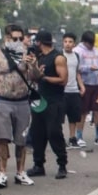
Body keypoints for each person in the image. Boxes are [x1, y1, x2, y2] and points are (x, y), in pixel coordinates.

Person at [0, 24, 39, 187]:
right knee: (2, 139)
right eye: (13, 38)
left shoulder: (27, 54)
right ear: (6, 38)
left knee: (21, 140)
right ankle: (2, 173)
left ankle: (20, 172)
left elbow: (36, 77)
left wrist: (33, 64)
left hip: (22, 101)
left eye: (19, 38)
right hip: (3, 101)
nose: (17, 41)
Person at [26, 29, 71, 179]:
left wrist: (44, 77)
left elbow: (63, 80)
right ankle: (38, 165)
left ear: (39, 42)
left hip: (55, 101)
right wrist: (33, 67)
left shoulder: (58, 58)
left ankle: (62, 164)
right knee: (37, 133)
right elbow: (34, 78)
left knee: (54, 132)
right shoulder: (38, 57)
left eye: (36, 42)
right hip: (40, 100)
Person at [73, 30, 98, 145]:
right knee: (83, 111)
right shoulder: (77, 51)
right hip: (84, 83)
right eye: (89, 44)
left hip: (97, 83)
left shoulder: (97, 51)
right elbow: (76, 68)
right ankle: (79, 136)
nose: (91, 46)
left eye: (93, 43)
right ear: (84, 41)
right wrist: (88, 68)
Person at [60, 33, 87, 148]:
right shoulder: (59, 55)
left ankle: (72, 138)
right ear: (63, 43)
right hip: (62, 91)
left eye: (70, 42)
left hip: (74, 90)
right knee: (59, 117)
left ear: (74, 44)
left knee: (74, 117)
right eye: (65, 41)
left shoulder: (76, 56)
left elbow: (77, 73)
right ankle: (60, 139)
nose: (68, 44)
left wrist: (82, 86)